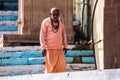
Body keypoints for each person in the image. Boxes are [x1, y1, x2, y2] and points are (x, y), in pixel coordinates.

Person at [40, 7, 68, 73]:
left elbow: (63, 33)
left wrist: (65, 45)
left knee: (62, 65)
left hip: (59, 49)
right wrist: (43, 47)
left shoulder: (60, 21)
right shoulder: (45, 22)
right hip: (50, 49)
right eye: (53, 15)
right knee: (51, 69)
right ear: (50, 14)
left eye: (57, 15)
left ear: (59, 14)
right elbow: (42, 35)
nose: (55, 16)